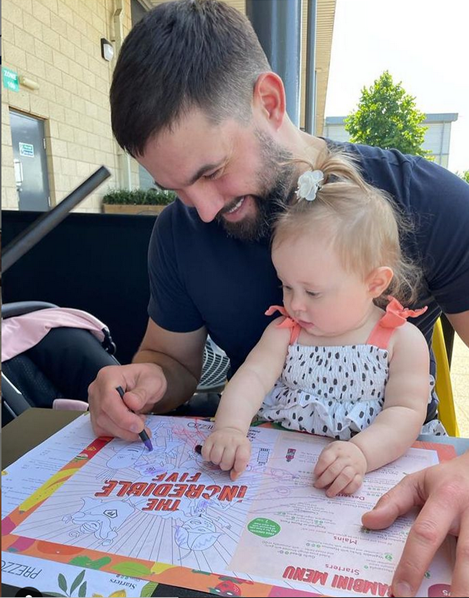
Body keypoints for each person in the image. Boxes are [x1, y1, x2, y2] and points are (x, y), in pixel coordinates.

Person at [87, 1, 469, 595]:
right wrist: (144, 382)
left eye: (212, 171)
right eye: (177, 187)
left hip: (391, 492)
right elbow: (173, 360)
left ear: (268, 101)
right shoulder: (178, 232)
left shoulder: (429, 202)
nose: (204, 210)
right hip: (257, 499)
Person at [201, 150, 435, 495]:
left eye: (313, 292)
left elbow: (405, 413)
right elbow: (250, 380)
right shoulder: (286, 331)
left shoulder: (400, 340)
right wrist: (230, 429)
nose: (294, 304)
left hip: (368, 473)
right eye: (286, 286)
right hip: (281, 472)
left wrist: (361, 452)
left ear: (375, 283)